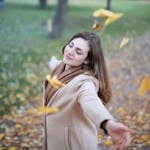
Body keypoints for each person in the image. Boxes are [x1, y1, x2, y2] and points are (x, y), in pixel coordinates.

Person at [43, 31, 132, 150]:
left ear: (87, 60)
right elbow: (54, 63)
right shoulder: (60, 67)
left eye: (78, 51)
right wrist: (50, 61)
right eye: (71, 45)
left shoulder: (84, 83)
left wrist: (108, 123)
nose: (70, 52)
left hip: (75, 144)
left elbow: (91, 101)